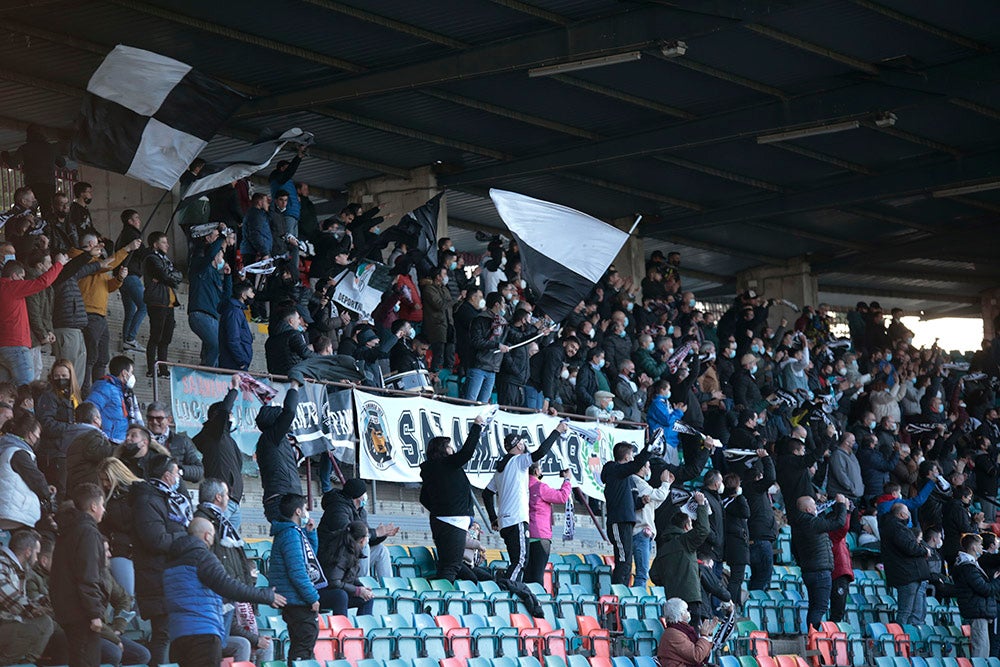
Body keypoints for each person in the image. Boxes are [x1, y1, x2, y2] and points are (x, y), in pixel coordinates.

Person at [164, 517, 284, 666]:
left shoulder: (170, 562)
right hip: (203, 634)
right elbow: (228, 587)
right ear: (207, 535)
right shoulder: (202, 557)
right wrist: (265, 595)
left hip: (178, 634)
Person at [483, 422, 567, 582]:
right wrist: (557, 431)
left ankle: (510, 589)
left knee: (518, 560)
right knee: (521, 561)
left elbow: (487, 494)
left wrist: (493, 517)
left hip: (505, 522)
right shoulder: (518, 461)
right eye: (522, 443)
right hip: (517, 519)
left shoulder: (500, 470)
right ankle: (507, 590)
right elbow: (541, 452)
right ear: (519, 446)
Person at [132, 455, 191, 665]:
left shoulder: (168, 499)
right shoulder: (148, 500)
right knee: (163, 634)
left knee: (173, 635)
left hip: (170, 578)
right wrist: (186, 538)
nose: (179, 478)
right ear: (167, 476)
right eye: (177, 474)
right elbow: (156, 539)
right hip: (156, 578)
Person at [419, 415, 486, 582]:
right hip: (452, 521)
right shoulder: (447, 464)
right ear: (442, 449)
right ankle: (441, 603)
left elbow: (423, 498)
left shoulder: (432, 470)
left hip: (444, 521)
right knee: (451, 567)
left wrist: (440, 509)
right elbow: (467, 452)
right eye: (449, 446)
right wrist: (476, 427)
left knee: (449, 565)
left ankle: (440, 599)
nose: (452, 449)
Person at [51, 482, 106, 667]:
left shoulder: (68, 530)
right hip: (81, 613)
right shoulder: (87, 532)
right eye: (102, 505)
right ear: (93, 506)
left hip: (67, 610)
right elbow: (87, 575)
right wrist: (94, 613)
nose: (104, 510)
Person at [268, 493, 324, 661]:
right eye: (305, 508)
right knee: (303, 644)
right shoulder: (290, 534)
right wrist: (312, 597)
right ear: (298, 512)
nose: (307, 512)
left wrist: (310, 534)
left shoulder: (295, 533)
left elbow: (309, 558)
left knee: (304, 644)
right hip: (296, 600)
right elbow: (298, 571)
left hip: (295, 598)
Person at [0, 253, 65, 386]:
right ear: (14, 276)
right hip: (16, 346)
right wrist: (59, 264)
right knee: (26, 389)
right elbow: (42, 282)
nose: (24, 281)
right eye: (22, 277)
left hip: (3, 347)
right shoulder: (12, 287)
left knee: (6, 392)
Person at [318, 478, 398, 581]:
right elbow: (350, 535)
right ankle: (363, 583)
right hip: (334, 555)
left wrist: (383, 534)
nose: (366, 496)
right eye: (364, 493)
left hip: (351, 555)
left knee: (381, 550)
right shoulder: (337, 509)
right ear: (357, 497)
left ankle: (389, 586)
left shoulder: (361, 511)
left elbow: (368, 536)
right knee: (364, 545)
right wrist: (376, 532)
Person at [192, 374, 245, 529]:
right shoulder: (214, 433)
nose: (231, 417)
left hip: (232, 502)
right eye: (230, 415)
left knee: (229, 546)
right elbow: (223, 411)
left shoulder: (227, 438)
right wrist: (234, 389)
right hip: (220, 502)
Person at [790, 494, 849, 630]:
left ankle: (812, 637)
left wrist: (804, 564)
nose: (816, 508)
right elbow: (839, 523)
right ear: (808, 509)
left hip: (809, 571)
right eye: (813, 506)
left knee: (814, 606)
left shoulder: (798, 526)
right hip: (820, 571)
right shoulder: (812, 523)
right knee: (820, 607)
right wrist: (841, 505)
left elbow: (794, 550)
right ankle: (814, 638)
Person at [602, 437, 653, 585]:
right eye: (631, 455)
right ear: (626, 457)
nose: (633, 459)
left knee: (627, 562)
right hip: (618, 522)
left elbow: (632, 504)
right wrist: (649, 447)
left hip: (627, 522)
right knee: (623, 561)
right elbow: (637, 463)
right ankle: (618, 598)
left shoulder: (628, 479)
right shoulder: (614, 470)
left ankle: (623, 595)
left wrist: (642, 502)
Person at [0, 529, 54, 665]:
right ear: (28, 552)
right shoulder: (2, 564)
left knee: (45, 622)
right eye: (36, 553)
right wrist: (35, 608)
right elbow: (11, 600)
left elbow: (23, 602)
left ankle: (27, 663)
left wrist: (49, 601)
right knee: (30, 629)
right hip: (4, 622)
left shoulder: (18, 569)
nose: (37, 559)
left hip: (9, 622)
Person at [654, 494, 710, 623]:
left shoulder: (663, 547)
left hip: (672, 601)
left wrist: (671, 581)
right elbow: (703, 530)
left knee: (677, 632)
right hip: (690, 597)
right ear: (685, 527)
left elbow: (654, 575)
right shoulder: (685, 541)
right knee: (692, 634)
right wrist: (701, 505)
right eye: (690, 525)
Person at [255, 381, 301, 522]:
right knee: (291, 540)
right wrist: (294, 386)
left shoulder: (269, 440)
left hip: (281, 498)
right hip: (283, 500)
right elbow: (290, 411)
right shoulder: (272, 437)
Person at [880, 503, 931, 625]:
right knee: (906, 612)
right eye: (907, 513)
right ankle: (901, 639)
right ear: (902, 514)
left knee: (912, 612)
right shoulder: (896, 528)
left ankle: (908, 638)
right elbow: (909, 547)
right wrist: (924, 550)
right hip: (906, 575)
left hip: (908, 574)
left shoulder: (893, 527)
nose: (909, 516)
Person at [35, 359, 80, 498]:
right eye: (57, 376)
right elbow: (46, 423)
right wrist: (71, 428)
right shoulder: (49, 395)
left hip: (68, 452)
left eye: (64, 376)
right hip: (54, 453)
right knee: (60, 493)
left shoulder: (74, 396)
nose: (61, 379)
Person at [0, 410, 51, 531]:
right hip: (15, 513)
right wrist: (48, 495)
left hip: (8, 511)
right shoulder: (18, 452)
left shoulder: (6, 447)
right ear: (30, 435)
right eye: (38, 434)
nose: (38, 438)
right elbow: (37, 480)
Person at [97, 456, 141, 597]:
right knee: (127, 597)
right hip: (120, 548)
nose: (105, 484)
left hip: (137, 549)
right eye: (102, 480)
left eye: (107, 479)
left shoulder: (140, 492)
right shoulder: (105, 499)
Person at [953, 533, 1000, 659]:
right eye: (980, 545)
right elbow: (985, 589)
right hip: (977, 612)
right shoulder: (968, 567)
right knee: (980, 650)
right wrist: (996, 581)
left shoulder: (971, 565)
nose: (981, 548)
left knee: (984, 648)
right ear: (973, 547)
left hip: (979, 611)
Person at [142, 231, 182, 378]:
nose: (168, 245)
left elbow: (178, 275)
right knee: (156, 337)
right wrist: (168, 276)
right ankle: (151, 369)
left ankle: (163, 369)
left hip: (169, 303)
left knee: (166, 338)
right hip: (157, 301)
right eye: (164, 242)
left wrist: (169, 277)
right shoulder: (151, 258)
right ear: (155, 244)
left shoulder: (165, 260)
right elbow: (164, 275)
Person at [525, 464, 573, 585]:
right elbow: (562, 497)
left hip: (525, 534)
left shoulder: (521, 486)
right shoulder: (540, 487)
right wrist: (567, 480)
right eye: (540, 468)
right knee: (538, 575)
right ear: (536, 471)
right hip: (541, 535)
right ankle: (537, 601)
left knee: (527, 574)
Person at [318, 520, 374, 617]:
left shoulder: (352, 550)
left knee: (367, 597)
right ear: (362, 540)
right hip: (321, 593)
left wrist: (362, 589)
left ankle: (362, 629)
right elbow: (334, 582)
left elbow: (351, 576)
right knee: (341, 596)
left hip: (337, 590)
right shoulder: (341, 553)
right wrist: (357, 590)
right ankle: (342, 629)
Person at [632, 463, 673, 589]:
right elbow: (659, 495)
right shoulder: (636, 481)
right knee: (642, 574)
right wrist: (665, 483)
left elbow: (654, 504)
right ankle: (637, 603)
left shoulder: (643, 484)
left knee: (643, 573)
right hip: (640, 533)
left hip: (646, 534)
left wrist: (668, 485)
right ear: (641, 468)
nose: (649, 469)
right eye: (648, 466)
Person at [464, 293, 510, 402]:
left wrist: (537, 330)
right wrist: (496, 345)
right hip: (478, 366)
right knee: (471, 401)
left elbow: (516, 336)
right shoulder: (480, 319)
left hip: (492, 368)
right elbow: (476, 341)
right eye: (503, 303)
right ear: (497, 304)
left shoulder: (503, 323)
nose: (505, 306)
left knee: (483, 404)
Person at [146, 402, 203, 485]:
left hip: (173, 492)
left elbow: (199, 471)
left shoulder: (181, 441)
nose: (154, 422)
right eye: (150, 418)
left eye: (159, 418)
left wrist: (177, 472)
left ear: (169, 420)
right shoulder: (140, 440)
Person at [114, 209, 147, 352]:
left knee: (130, 310)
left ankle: (126, 342)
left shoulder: (122, 235)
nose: (139, 221)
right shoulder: (132, 234)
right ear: (130, 221)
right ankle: (130, 338)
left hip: (122, 277)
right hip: (131, 275)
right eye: (136, 218)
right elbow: (142, 253)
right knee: (144, 306)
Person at [86, 355, 139, 444]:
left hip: (121, 441)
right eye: (131, 372)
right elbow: (89, 410)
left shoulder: (123, 391)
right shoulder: (105, 388)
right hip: (109, 442)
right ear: (124, 373)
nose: (132, 376)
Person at [65, 401, 114, 492]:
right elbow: (103, 454)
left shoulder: (67, 433)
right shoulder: (93, 436)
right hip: (89, 485)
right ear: (96, 419)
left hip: (69, 481)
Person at [657, 597, 717, 667]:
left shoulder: (680, 630)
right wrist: (704, 636)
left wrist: (708, 636)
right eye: (686, 610)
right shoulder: (673, 634)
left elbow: (703, 656)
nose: (689, 612)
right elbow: (697, 656)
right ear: (680, 614)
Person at [218, 282, 254, 371]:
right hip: (234, 365)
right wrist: (241, 362)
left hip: (235, 363)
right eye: (251, 292)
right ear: (243, 295)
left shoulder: (237, 310)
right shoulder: (235, 312)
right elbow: (233, 339)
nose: (253, 295)